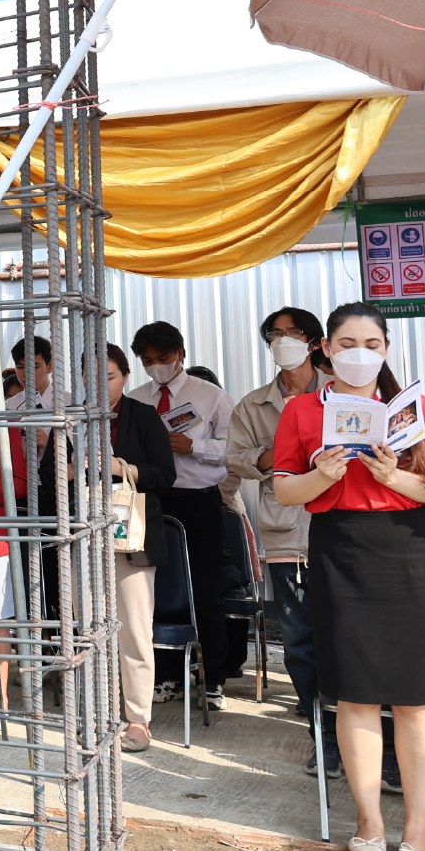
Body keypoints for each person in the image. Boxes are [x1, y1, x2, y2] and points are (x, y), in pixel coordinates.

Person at [273, 302, 425, 851]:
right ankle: (369, 821)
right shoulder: (302, 410)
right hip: (340, 549)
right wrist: (321, 474)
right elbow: (284, 491)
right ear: (326, 349)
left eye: (371, 344)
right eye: (346, 344)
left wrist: (392, 475)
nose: (359, 354)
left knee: (416, 698)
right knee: (354, 695)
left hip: (412, 551)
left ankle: (419, 829)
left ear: (386, 349)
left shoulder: (415, 409)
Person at [227, 308, 339, 774]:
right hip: (285, 534)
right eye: (275, 334)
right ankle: (324, 737)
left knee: (347, 637)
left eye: (293, 333)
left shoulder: (342, 391)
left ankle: (376, 741)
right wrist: (279, 452)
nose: (283, 341)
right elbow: (235, 460)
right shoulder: (253, 405)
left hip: (339, 529)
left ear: (314, 342)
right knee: (299, 641)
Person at [127, 321, 241, 706]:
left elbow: (234, 449)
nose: (156, 367)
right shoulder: (137, 399)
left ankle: (213, 679)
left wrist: (193, 446)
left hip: (199, 502)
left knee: (205, 590)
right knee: (154, 591)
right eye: (147, 361)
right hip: (152, 500)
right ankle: (168, 676)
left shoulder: (211, 396)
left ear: (180, 354)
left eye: (162, 358)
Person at [106, 345, 175, 750]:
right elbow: (46, 474)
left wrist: (123, 468)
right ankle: (98, 712)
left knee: (134, 628)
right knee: (87, 630)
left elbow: (166, 474)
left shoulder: (144, 416)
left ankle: (137, 720)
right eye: (90, 378)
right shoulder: (72, 418)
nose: (100, 386)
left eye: (109, 377)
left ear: (126, 377)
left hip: (131, 536)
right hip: (81, 534)